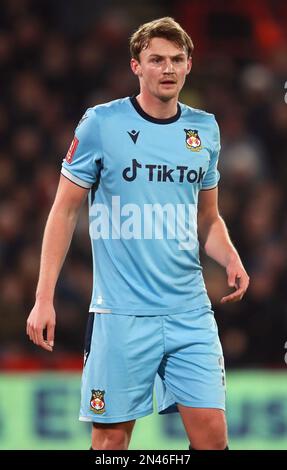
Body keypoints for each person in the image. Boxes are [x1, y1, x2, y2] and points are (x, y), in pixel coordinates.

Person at [26, 17, 249, 450]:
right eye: (156, 60)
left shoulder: (204, 130)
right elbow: (64, 210)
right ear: (136, 67)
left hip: (189, 312)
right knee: (110, 443)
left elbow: (208, 218)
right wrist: (43, 297)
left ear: (189, 66)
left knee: (213, 438)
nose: (167, 68)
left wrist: (231, 257)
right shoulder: (101, 124)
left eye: (176, 60)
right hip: (121, 314)